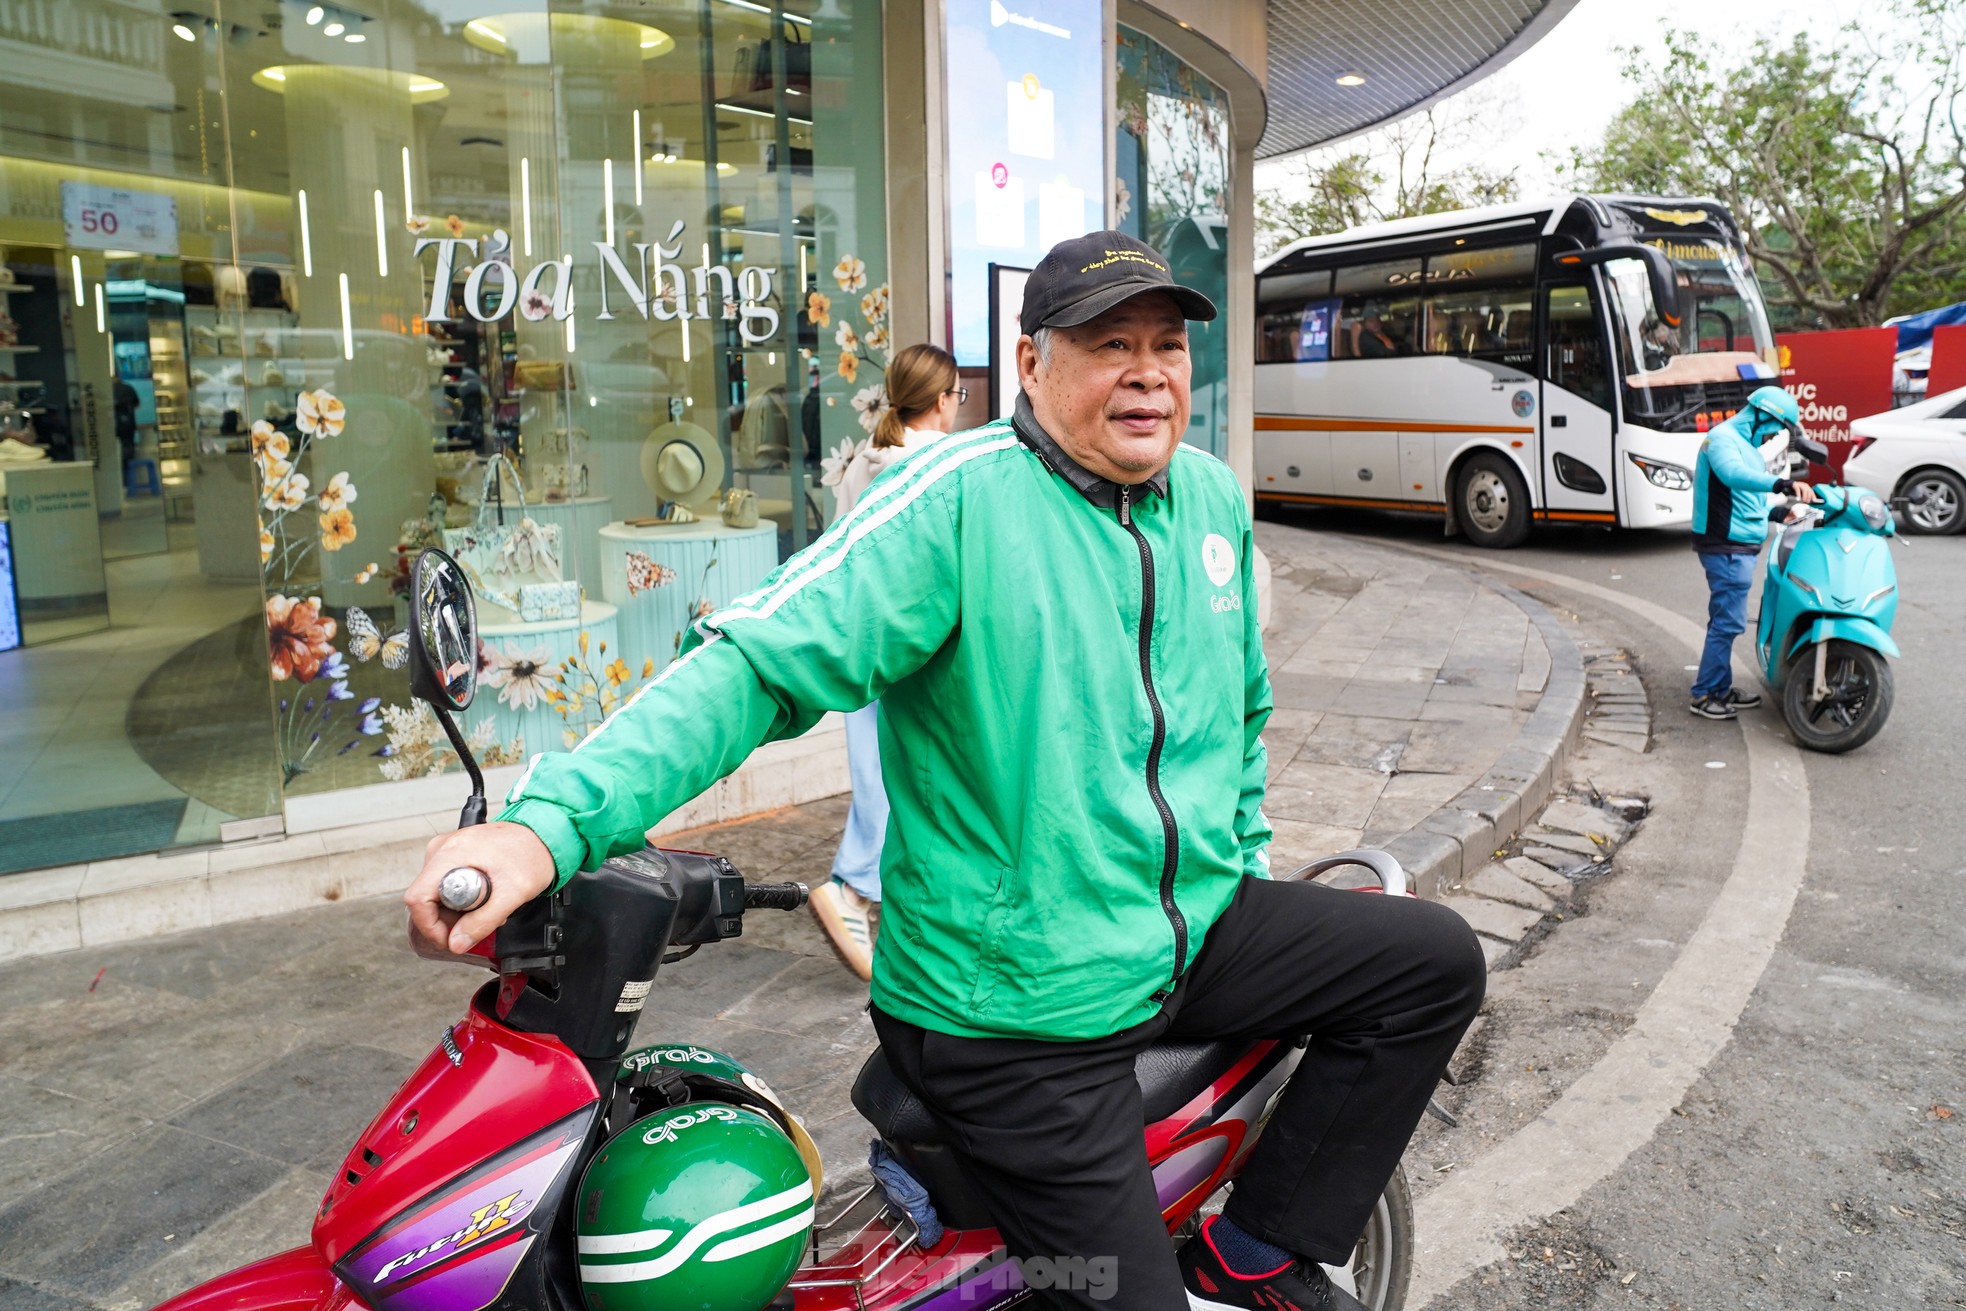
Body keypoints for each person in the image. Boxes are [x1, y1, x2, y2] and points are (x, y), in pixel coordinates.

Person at [406, 230, 1484, 1311]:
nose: (1149, 370)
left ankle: (1255, 1252)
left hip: (1187, 929)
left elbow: (1238, 706)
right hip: (1011, 1009)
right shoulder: (952, 500)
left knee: (1430, 961)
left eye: (1165, 344)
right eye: (1110, 343)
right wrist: (543, 827)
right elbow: (751, 665)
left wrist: (1235, 858)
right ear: (1029, 365)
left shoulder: (1205, 496)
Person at [809, 342, 962, 979]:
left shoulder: (864, 461)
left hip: (859, 638)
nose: (959, 406)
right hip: (910, 643)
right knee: (915, 777)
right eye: (956, 395)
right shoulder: (937, 466)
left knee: (880, 770)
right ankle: (852, 886)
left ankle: (880, 908)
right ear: (939, 399)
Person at [1689, 385, 1818, 720]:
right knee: (1727, 622)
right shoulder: (1721, 440)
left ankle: (1719, 686)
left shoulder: (1746, 446)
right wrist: (1782, 485)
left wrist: (1777, 512)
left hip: (1740, 544)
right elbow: (1733, 477)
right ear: (1763, 415)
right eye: (1778, 427)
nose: (1776, 435)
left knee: (1726, 620)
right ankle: (1704, 695)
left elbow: (1746, 499)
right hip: (1724, 545)